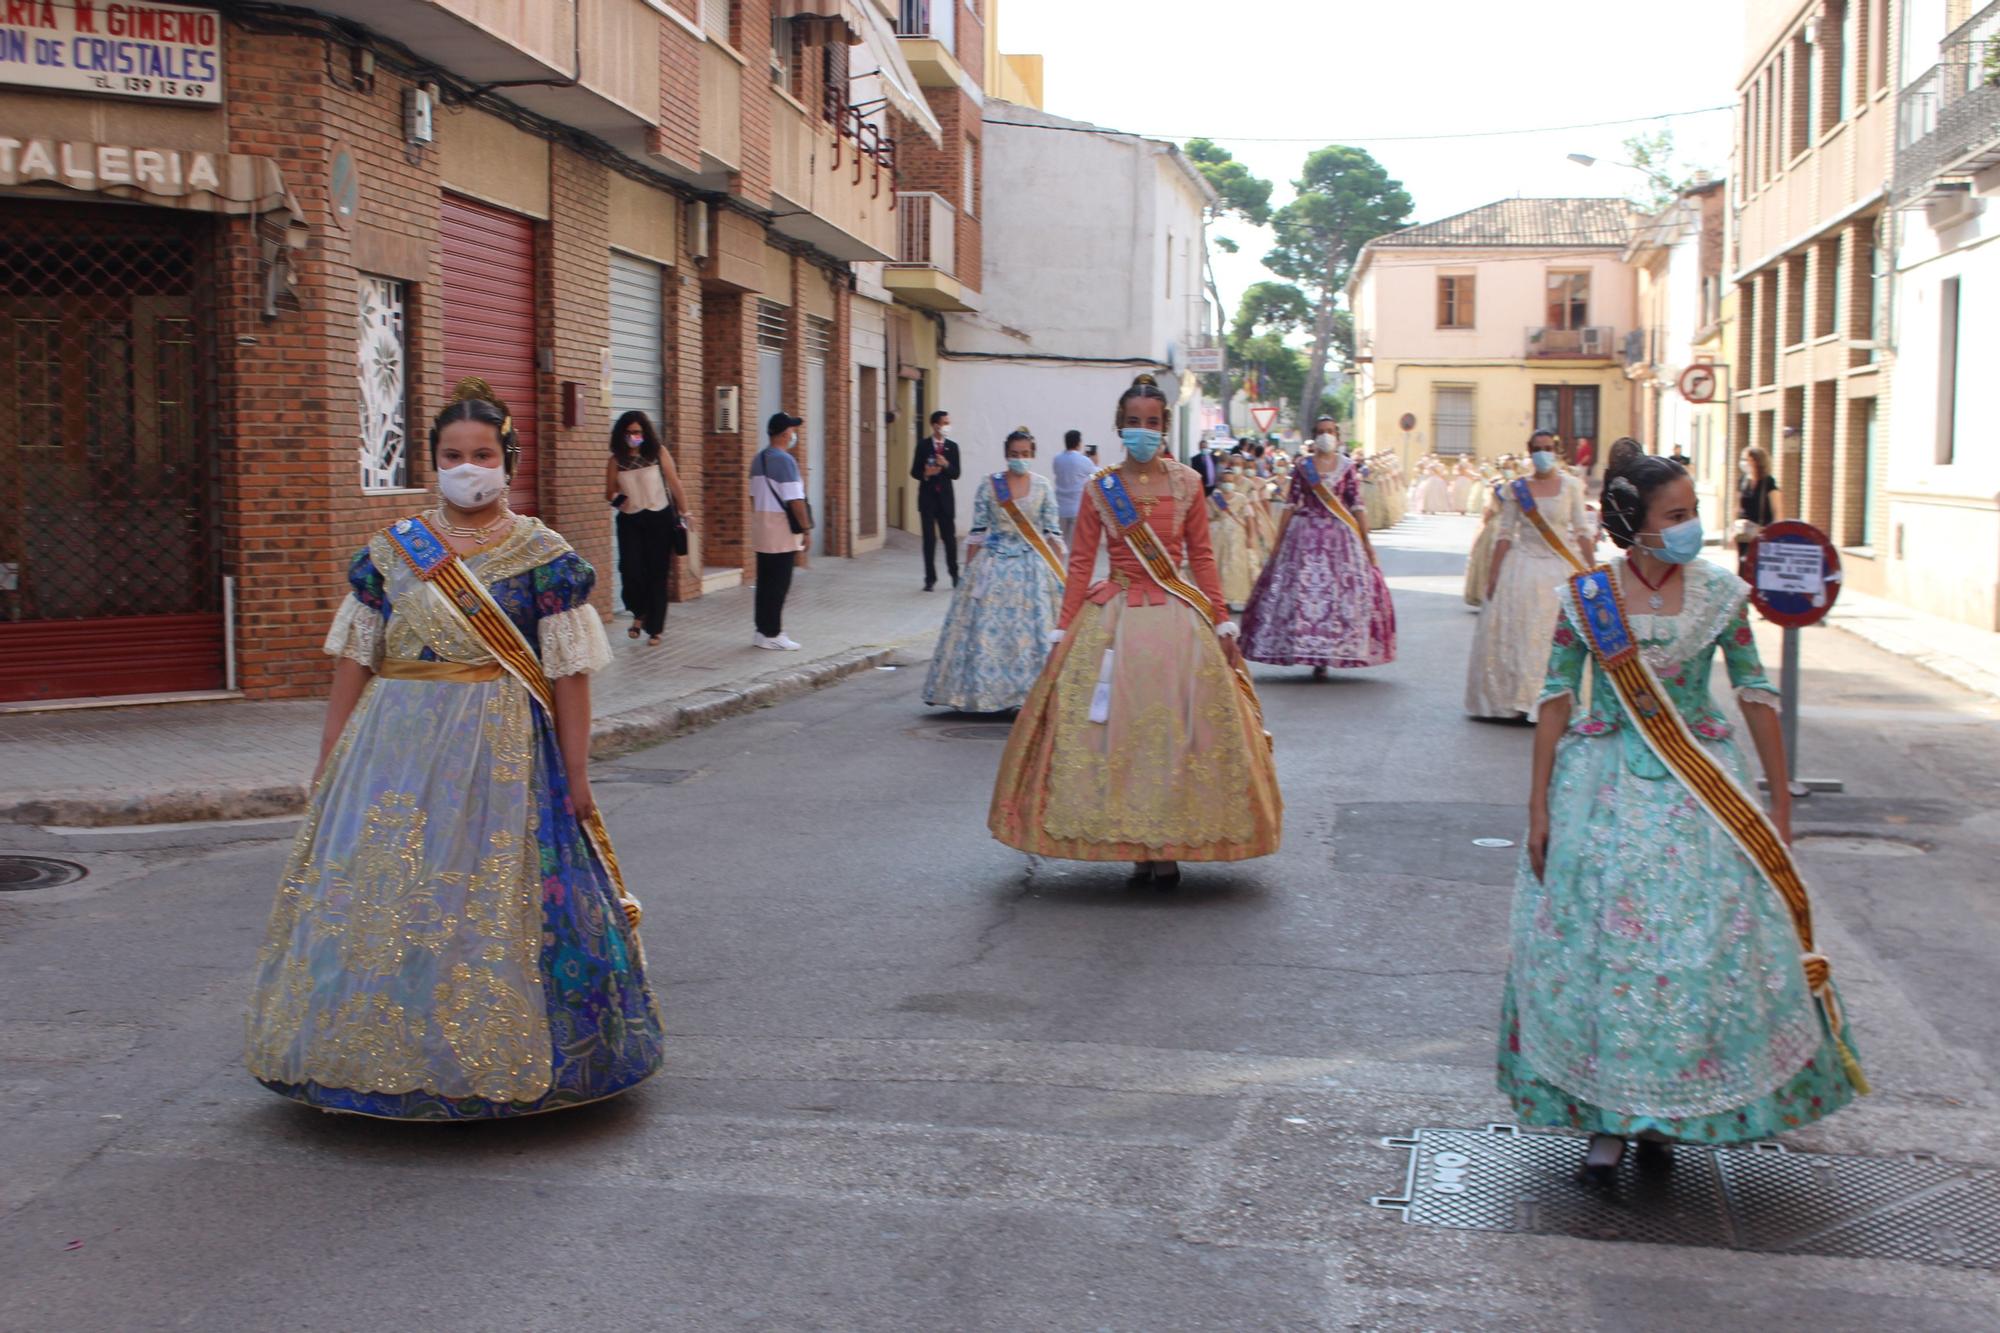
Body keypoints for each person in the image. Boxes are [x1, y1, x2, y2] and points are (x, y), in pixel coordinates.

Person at [245, 378, 664, 1120]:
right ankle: (370, 1048)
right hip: (392, 750)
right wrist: (330, 753)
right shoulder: (391, 554)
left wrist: (576, 773)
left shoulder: (545, 557)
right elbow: (355, 659)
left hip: (502, 750)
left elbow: (568, 677)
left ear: (507, 458)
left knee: (487, 894)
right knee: (393, 894)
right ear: (432, 461)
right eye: (451, 454)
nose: (467, 466)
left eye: (481, 453)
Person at [1501, 454, 1863, 1181]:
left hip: (1702, 797)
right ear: (1635, 525)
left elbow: (1755, 691)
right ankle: (1606, 1124)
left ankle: (1665, 1122)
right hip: (1601, 792)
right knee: (1600, 953)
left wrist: (1780, 801)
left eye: (1692, 509)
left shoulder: (1721, 594)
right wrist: (1539, 808)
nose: (1691, 524)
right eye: (1676, 514)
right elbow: (1555, 699)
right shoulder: (1588, 597)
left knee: (1699, 948)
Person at [989, 373, 1282, 883]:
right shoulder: (1100, 487)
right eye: (1132, 423)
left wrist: (1220, 618)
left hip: (1177, 621)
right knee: (1113, 735)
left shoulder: (1188, 483)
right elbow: (1081, 564)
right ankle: (1130, 840)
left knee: (1176, 734)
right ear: (1119, 427)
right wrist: (1063, 631)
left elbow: (1202, 557)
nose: (1141, 431)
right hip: (1115, 617)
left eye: (1151, 423)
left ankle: (1166, 847)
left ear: (1165, 428)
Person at [923, 428, 1066, 713]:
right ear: (1006, 454)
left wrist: (1062, 575)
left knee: (1030, 633)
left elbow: (1052, 533)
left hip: (1032, 569)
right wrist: (967, 575)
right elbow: (977, 533)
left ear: (1033, 455)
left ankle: (1029, 695)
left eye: (1025, 454)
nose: (1019, 459)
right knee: (986, 631)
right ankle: (984, 692)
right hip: (993, 564)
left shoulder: (1043, 487)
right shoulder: (990, 485)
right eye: (1014, 454)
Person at [1240, 430, 1397, 676]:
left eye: (1330, 431)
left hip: (1340, 539)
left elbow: (1356, 505)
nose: (1326, 435)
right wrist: (1279, 540)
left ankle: (1331, 651)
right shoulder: (1303, 467)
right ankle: (1303, 646)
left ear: (1337, 436)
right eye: (1322, 431)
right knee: (1300, 591)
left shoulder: (1347, 467)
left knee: (1339, 593)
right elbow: (1291, 504)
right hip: (1303, 535)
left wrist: (1366, 542)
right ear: (1314, 437)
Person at [1466, 432, 1592, 719]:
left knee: (1554, 636)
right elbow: (1506, 533)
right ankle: (1515, 700)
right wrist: (1494, 573)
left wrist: (1591, 568)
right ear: (1530, 452)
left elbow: (1581, 530)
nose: (1543, 454)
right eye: (1537, 449)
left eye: (1548, 449)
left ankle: (1553, 700)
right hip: (1520, 568)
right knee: (1518, 633)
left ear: (1557, 452)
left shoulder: (1571, 486)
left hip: (1560, 567)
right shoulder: (1517, 488)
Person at [606, 409, 691, 647]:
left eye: (638, 432)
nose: (634, 436)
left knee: (657, 573)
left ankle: (655, 628)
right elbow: (609, 492)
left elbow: (674, 482)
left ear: (645, 433)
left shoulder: (658, 453)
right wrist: (619, 500)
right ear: (621, 435)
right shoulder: (616, 461)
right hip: (630, 520)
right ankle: (639, 612)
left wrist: (685, 512)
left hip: (658, 517)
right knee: (630, 569)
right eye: (629, 432)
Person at [751, 411, 812, 651]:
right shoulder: (786, 461)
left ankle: (762, 631)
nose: (794, 434)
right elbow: (795, 500)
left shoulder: (758, 459)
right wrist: (806, 529)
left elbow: (752, 496)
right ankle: (773, 632)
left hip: (762, 528)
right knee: (779, 583)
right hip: (781, 530)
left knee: (764, 581)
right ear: (786, 433)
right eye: (793, 430)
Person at [912, 409, 963, 590]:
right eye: (944, 423)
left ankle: (955, 574)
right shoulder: (923, 446)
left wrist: (946, 464)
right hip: (927, 499)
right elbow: (914, 471)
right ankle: (930, 579)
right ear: (935, 425)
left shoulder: (953, 447)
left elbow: (956, 473)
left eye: (948, 423)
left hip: (946, 500)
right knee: (929, 540)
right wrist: (926, 474)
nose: (947, 426)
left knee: (949, 539)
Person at [1734, 445, 1782, 575]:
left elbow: (1777, 509)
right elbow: (1738, 504)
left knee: (1757, 564)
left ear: (1758, 462)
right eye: (1745, 459)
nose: (1745, 463)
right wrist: (1734, 524)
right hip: (1743, 530)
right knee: (1742, 562)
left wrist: (1775, 531)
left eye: (1749, 460)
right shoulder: (1743, 480)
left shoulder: (1768, 482)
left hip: (1762, 530)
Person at [1053, 428, 1096, 545]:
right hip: (1077, 508)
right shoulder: (1084, 461)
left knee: (1059, 545)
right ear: (1078, 443)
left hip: (1060, 507)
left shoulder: (1057, 459)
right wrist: (1094, 461)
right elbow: (1096, 475)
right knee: (1074, 546)